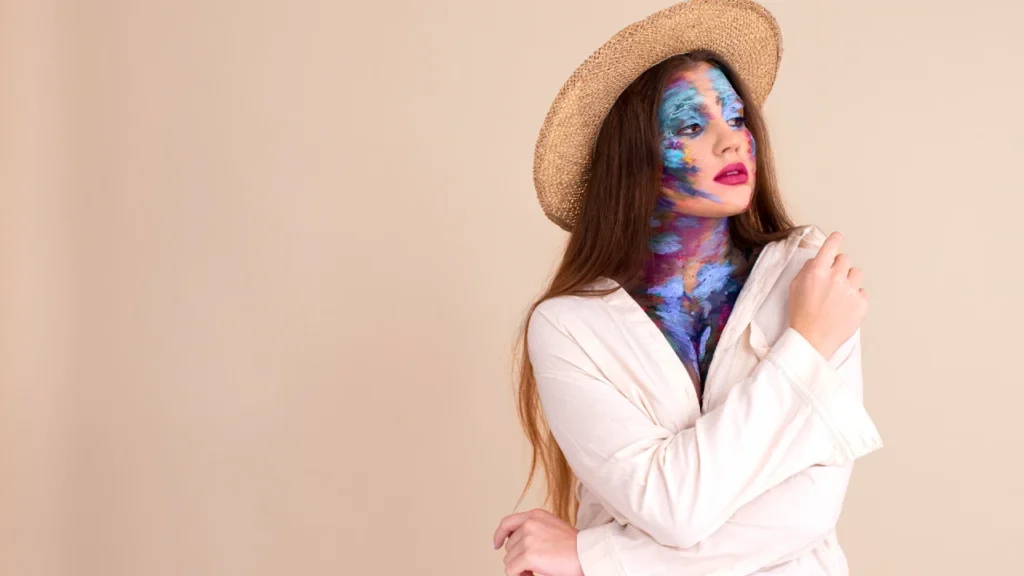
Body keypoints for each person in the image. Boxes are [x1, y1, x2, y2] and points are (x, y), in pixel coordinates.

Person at [491, 1, 884, 575]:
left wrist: (591, 555)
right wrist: (805, 348)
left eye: (736, 117)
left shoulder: (812, 280)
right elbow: (672, 510)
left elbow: (808, 512)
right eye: (692, 126)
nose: (733, 142)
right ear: (633, 159)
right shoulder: (570, 326)